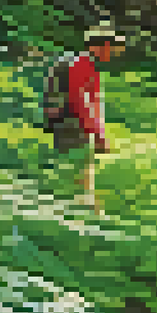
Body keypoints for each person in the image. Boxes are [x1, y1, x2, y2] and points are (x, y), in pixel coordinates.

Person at [44, 26, 125, 213]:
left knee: (80, 169)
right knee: (78, 169)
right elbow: (80, 100)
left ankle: (82, 208)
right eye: (112, 47)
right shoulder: (81, 64)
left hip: (74, 124)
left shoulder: (89, 65)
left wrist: (100, 133)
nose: (113, 53)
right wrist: (96, 133)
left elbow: (94, 101)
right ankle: (81, 211)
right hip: (71, 124)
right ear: (102, 46)